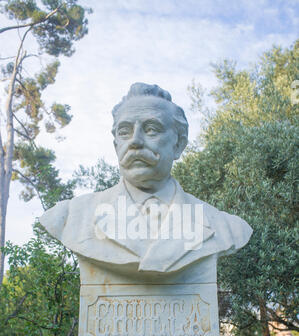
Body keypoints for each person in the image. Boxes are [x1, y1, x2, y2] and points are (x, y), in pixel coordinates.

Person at [39, 83, 252, 274]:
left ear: (179, 145)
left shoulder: (225, 227)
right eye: (124, 132)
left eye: (151, 129)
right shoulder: (71, 216)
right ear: (116, 146)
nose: (135, 142)